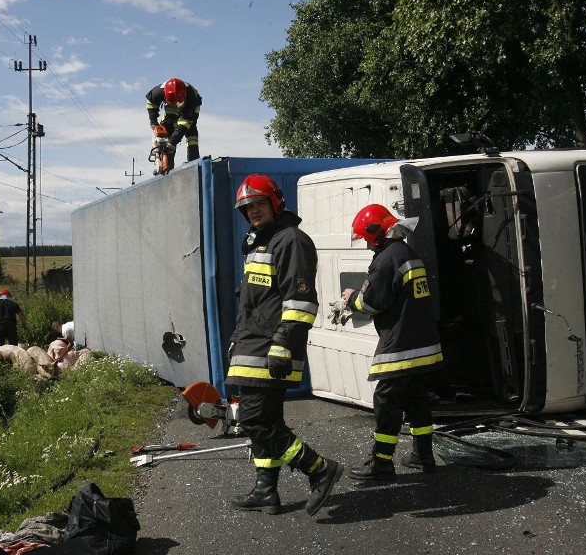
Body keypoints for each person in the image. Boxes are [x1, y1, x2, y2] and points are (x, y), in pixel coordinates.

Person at [226, 173, 343, 517]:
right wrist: (236, 341)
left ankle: (319, 469)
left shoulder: (291, 240)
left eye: (259, 203)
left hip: (271, 348)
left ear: (275, 202)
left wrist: (282, 344)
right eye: (247, 207)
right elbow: (254, 303)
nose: (253, 211)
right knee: (266, 420)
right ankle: (266, 490)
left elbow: (301, 300)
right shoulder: (258, 244)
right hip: (251, 345)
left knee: (253, 421)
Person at [341, 204, 444, 480]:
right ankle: (423, 456)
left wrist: (349, 298)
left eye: (366, 239)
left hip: (401, 346)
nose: (366, 245)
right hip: (424, 344)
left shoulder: (387, 258)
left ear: (375, 233)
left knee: (387, 402)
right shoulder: (407, 253)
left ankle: (381, 464)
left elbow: (371, 303)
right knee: (416, 400)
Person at [145, 78, 202, 171]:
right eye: (172, 104)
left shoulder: (191, 97)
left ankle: (193, 161)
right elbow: (151, 104)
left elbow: (183, 125)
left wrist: (172, 142)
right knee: (165, 134)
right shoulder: (158, 92)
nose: (176, 106)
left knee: (192, 135)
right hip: (170, 115)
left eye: (178, 103)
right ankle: (165, 166)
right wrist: (154, 122)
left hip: (189, 112)